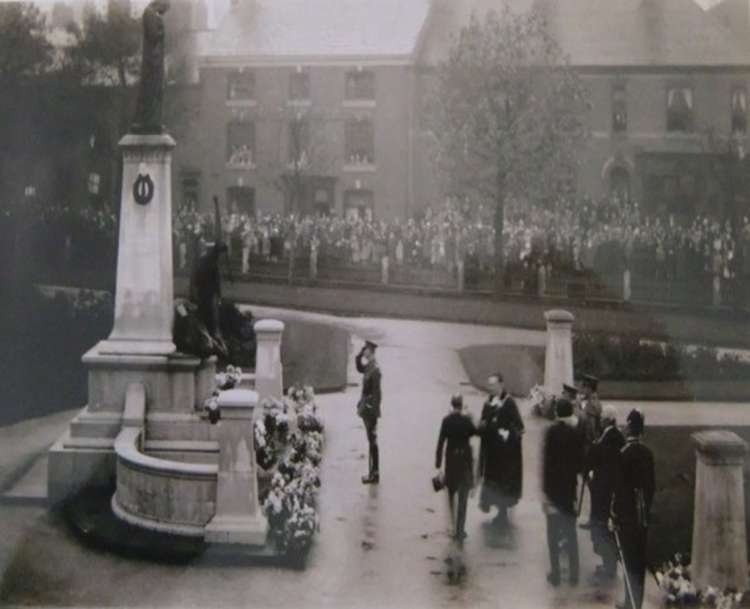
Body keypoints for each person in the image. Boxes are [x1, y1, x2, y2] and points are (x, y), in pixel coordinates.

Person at [611, 409, 655, 609]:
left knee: (629, 561)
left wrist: (615, 514)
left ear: (629, 428)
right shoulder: (647, 453)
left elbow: (619, 489)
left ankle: (631, 603)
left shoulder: (623, 454)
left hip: (627, 516)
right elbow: (651, 487)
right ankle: (636, 601)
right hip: (642, 516)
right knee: (639, 561)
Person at [543, 398, 584, 587]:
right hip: (569, 490)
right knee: (570, 533)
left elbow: (547, 464)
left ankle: (556, 573)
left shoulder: (551, 432)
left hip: (553, 491)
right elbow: (579, 463)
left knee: (552, 534)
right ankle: (574, 574)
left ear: (558, 413)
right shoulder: (575, 434)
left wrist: (545, 491)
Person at [478, 372, 524, 528]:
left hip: (505, 454)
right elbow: (483, 421)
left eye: (493, 384)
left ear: (501, 385)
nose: (490, 388)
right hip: (492, 452)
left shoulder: (509, 403)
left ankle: (503, 512)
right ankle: (495, 508)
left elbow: (519, 427)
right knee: (492, 481)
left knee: (503, 483)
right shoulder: (488, 402)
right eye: (489, 385)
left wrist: (508, 434)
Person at [587, 405, 625, 581]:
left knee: (602, 525)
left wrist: (593, 449)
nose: (600, 420)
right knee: (601, 525)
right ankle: (607, 562)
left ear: (608, 420)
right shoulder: (611, 435)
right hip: (603, 487)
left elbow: (599, 455)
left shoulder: (611, 437)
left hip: (604, 488)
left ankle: (609, 565)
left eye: (603, 418)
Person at [435, 394, 477, 542]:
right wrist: (470, 416)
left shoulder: (446, 421)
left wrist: (438, 465)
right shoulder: (466, 421)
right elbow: (476, 431)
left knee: (451, 495)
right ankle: (460, 529)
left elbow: (440, 443)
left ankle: (452, 526)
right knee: (463, 498)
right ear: (461, 405)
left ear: (451, 405)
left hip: (451, 463)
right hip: (464, 463)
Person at [356, 340, 382, 484]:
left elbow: (377, 394)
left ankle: (374, 473)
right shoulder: (369, 367)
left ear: (370, 351)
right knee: (371, 441)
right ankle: (373, 472)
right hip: (367, 409)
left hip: (370, 412)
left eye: (365, 349)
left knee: (372, 441)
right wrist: (359, 355)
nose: (364, 350)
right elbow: (359, 367)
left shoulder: (375, 370)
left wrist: (373, 411)